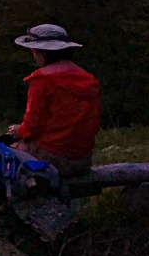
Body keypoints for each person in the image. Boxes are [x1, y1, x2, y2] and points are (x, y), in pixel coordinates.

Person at [6, 24, 100, 177]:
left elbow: (32, 126)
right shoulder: (88, 79)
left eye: (34, 51)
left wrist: (19, 130)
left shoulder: (42, 80)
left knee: (1, 153)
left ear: (43, 53)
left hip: (52, 159)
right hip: (82, 160)